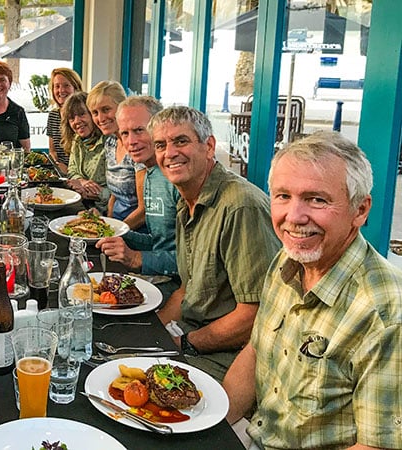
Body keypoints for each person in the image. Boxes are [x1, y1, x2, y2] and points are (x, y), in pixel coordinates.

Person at [223, 131, 402, 450]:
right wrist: (210, 427)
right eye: (282, 196)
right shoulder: (286, 259)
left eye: (317, 199)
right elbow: (255, 352)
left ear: (360, 210)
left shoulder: (386, 312)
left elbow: (377, 446)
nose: (293, 217)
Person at [151, 106, 280, 382]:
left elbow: (255, 316)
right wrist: (149, 335)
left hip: (229, 357)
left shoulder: (240, 206)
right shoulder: (187, 201)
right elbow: (187, 290)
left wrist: (186, 342)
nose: (169, 153)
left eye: (181, 141)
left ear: (209, 146)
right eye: (160, 145)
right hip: (190, 336)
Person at [96, 96, 181, 300]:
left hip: (179, 288)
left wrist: (136, 258)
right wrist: (113, 232)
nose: (131, 141)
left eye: (139, 130)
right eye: (125, 133)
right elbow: (161, 242)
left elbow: (194, 261)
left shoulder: (177, 177)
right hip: (161, 277)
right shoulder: (150, 172)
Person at [87, 80, 145, 230]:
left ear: (122, 108)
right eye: (95, 113)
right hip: (116, 227)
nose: (100, 118)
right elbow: (114, 195)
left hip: (136, 231)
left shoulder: (137, 148)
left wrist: (112, 231)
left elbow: (144, 211)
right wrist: (105, 221)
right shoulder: (111, 142)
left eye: (106, 109)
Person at [61, 91, 109, 212]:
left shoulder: (109, 142)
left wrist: (97, 193)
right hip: (84, 205)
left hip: (107, 211)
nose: (76, 121)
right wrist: (82, 182)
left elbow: (121, 192)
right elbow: (72, 170)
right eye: (71, 118)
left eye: (82, 114)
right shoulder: (77, 140)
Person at [45, 67, 82, 173]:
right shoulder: (53, 115)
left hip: (78, 173)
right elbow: (52, 151)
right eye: (57, 86)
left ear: (76, 88)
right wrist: (56, 166)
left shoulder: (83, 118)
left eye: (66, 85)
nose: (61, 90)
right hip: (59, 171)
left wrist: (69, 171)